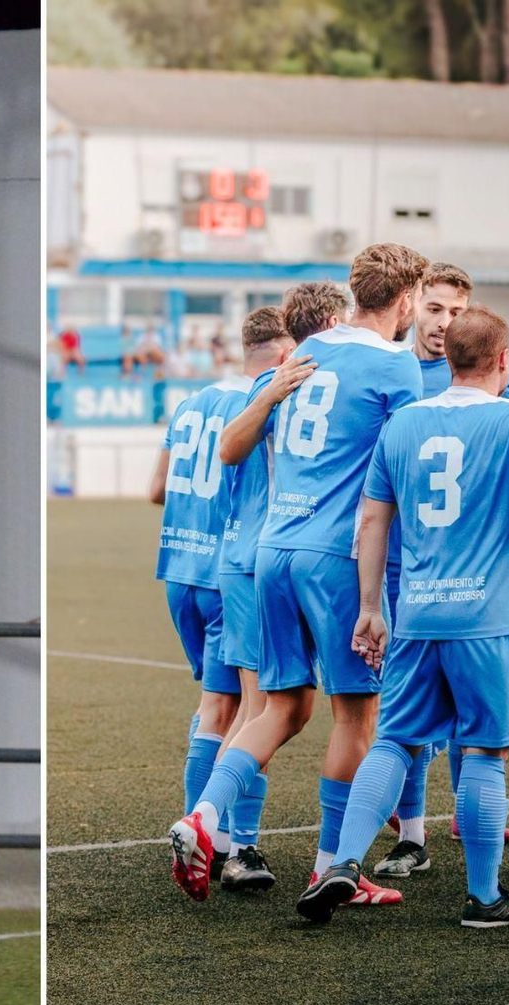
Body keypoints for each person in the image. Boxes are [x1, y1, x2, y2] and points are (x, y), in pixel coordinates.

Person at [296, 306, 509, 928]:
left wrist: (372, 608)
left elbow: (371, 521)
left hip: (418, 616)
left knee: (395, 740)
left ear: (448, 358)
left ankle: (342, 862)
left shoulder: (402, 423)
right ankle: (483, 898)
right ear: (504, 361)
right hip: (491, 621)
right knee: (481, 752)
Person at [171, 243, 432, 907]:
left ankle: (202, 818)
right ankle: (329, 869)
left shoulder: (301, 354)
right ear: (404, 301)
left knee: (280, 707)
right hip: (336, 558)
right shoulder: (397, 367)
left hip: (272, 552)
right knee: (357, 715)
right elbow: (402, 476)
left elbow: (234, 448)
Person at [381, 263, 509, 882]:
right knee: (404, 716)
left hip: (487, 572)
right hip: (408, 567)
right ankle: (412, 836)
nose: (444, 323)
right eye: (434, 309)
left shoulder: (504, 382)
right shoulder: (395, 374)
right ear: (415, 307)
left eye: (456, 312)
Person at [203, 294, 335, 893]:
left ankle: (218, 838)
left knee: (239, 709)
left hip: (240, 559)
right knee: (266, 710)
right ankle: (232, 845)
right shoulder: (287, 395)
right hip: (267, 562)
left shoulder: (231, 398)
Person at [148, 309, 280, 896]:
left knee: (214, 707)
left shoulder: (190, 402)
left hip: (179, 570)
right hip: (231, 569)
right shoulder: (259, 403)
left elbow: (156, 490)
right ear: (281, 355)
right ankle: (234, 846)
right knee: (255, 710)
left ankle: (203, 835)